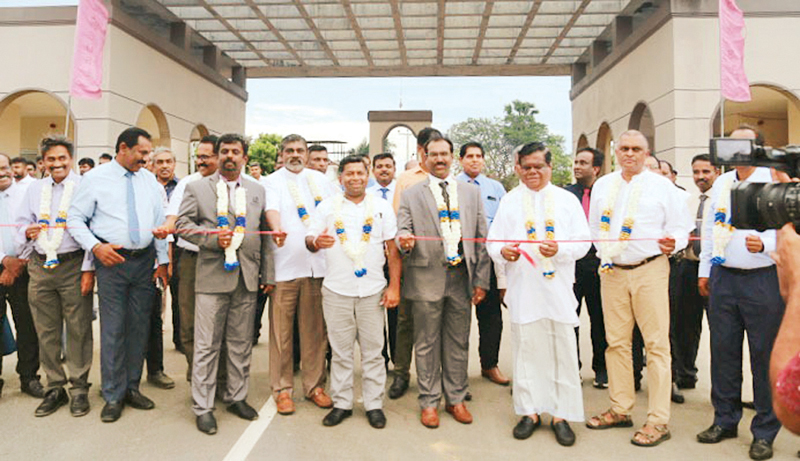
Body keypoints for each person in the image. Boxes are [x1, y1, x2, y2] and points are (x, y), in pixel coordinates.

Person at [585, 130, 692, 447]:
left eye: (636, 149)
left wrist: (676, 243)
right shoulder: (603, 185)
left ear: (647, 153)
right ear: (616, 151)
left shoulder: (662, 186)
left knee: (656, 346)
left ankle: (658, 420)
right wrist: (606, 253)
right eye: (624, 148)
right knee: (616, 342)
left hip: (650, 269)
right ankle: (620, 408)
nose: (629, 153)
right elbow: (594, 227)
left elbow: (682, 227)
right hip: (612, 271)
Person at [488, 142, 590, 446]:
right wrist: (503, 251)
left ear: (550, 166)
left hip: (558, 289)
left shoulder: (566, 200)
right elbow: (494, 243)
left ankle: (561, 415)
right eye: (526, 167)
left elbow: (584, 242)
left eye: (539, 167)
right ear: (518, 168)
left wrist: (560, 250)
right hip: (524, 291)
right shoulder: (509, 201)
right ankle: (529, 412)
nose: (532, 172)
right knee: (526, 352)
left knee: (562, 351)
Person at [67, 127, 169, 423]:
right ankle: (112, 394)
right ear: (123, 148)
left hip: (144, 262)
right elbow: (75, 218)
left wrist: (161, 260)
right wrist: (96, 247)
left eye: (148, 153)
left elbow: (159, 223)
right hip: (112, 262)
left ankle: (131, 388)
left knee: (139, 327)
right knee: (113, 329)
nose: (147, 159)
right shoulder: (95, 179)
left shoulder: (149, 181)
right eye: (143, 153)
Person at [696, 126, 784, 460]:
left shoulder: (775, 178)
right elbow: (709, 228)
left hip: (763, 279)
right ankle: (725, 419)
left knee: (763, 357)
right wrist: (705, 270)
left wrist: (766, 243)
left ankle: (764, 431)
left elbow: (791, 227)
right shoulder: (721, 181)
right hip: (723, 278)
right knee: (723, 352)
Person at [175, 133, 272, 435]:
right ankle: (203, 406)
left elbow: (263, 234)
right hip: (212, 277)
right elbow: (181, 226)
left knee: (241, 343)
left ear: (244, 157)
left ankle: (236, 396)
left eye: (236, 151)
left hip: (247, 277)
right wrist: (211, 238)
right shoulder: (197, 188)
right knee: (207, 345)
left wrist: (266, 274)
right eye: (224, 151)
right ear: (216, 156)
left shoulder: (257, 190)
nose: (230, 156)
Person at [396, 134, 490, 428]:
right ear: (424, 158)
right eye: (433, 154)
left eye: (444, 154)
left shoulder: (471, 193)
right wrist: (405, 242)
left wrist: (481, 280)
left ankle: (456, 399)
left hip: (462, 278)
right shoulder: (412, 193)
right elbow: (402, 231)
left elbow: (481, 239)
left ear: (453, 158)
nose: (439, 159)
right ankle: (428, 401)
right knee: (426, 342)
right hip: (425, 277)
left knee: (458, 341)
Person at [306, 155, 401, 429]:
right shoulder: (327, 207)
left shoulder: (382, 207)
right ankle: (342, 403)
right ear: (341, 178)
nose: (355, 178)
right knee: (340, 352)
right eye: (350, 174)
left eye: (360, 173)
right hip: (337, 289)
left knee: (374, 351)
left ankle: (374, 405)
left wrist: (394, 286)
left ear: (367, 175)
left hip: (372, 290)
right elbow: (310, 238)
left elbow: (393, 250)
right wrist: (316, 241)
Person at [14, 136, 94, 417]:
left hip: (73, 264)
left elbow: (92, 229)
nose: (57, 164)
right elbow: (22, 221)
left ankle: (79, 388)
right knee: (45, 330)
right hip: (40, 266)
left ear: (71, 159)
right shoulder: (35, 189)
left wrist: (88, 269)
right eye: (51, 159)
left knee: (78, 328)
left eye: (62, 158)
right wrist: (27, 231)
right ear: (43, 162)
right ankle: (54, 387)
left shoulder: (84, 186)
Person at [263, 134, 335, 415]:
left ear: (307, 154)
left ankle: (315, 386)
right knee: (281, 333)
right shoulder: (272, 181)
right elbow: (272, 210)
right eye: (289, 150)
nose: (295, 155)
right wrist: (277, 230)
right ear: (281, 154)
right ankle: (282, 389)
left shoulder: (321, 181)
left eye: (300, 150)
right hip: (285, 267)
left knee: (315, 331)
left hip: (318, 267)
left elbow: (331, 215)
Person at [159, 135, 221, 382]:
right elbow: (173, 219)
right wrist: (165, 229)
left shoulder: (237, 183)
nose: (200, 162)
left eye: (206, 157)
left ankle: (219, 373)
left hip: (225, 260)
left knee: (219, 320)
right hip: (192, 258)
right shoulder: (187, 184)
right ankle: (196, 369)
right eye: (198, 156)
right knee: (188, 320)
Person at [388, 127, 441, 400]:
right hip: (412, 261)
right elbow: (399, 224)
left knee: (437, 323)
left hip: (442, 264)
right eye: (430, 151)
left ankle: (437, 378)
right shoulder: (406, 180)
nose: (436, 157)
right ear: (421, 151)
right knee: (406, 321)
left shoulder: (450, 181)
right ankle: (400, 374)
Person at [456, 141, 509, 386]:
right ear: (461, 160)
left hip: (488, 258)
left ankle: (490, 365)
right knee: (458, 318)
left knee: (491, 317)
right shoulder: (452, 185)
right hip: (458, 259)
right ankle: (457, 372)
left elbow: (506, 221)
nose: (475, 160)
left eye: (479, 156)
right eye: (470, 156)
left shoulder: (496, 188)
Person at [670, 154, 718, 393]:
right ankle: (685, 374)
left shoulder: (723, 201)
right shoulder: (687, 202)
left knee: (719, 327)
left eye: (705, 172)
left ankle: (723, 386)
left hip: (714, 270)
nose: (700, 177)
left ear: (716, 172)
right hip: (687, 267)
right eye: (696, 172)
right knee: (685, 326)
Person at [564, 146, 609, 389]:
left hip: (600, 263)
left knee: (599, 319)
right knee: (571, 318)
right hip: (572, 264)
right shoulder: (566, 195)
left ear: (596, 168)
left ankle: (601, 369)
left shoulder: (606, 194)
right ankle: (573, 368)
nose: (577, 166)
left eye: (583, 163)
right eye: (576, 162)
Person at [0, 153, 44, 399]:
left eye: (5, 167)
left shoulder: (27, 194)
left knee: (27, 323)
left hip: (24, 265)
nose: (2, 172)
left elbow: (34, 228)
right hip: (4, 262)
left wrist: (17, 263)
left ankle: (29, 377)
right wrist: (5, 261)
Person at [137, 148, 177, 391]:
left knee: (153, 319)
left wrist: (166, 262)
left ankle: (156, 370)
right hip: (125, 262)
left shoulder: (156, 189)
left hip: (152, 263)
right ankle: (123, 375)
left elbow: (165, 228)